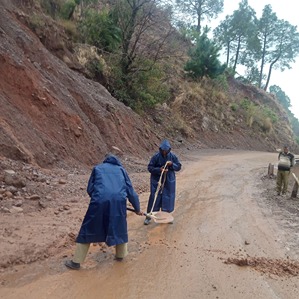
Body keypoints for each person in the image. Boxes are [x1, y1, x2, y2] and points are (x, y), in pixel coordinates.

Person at [65, 154, 143, 270]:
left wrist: (98, 198)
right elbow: (130, 191)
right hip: (118, 203)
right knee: (119, 227)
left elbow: (90, 188)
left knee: (89, 228)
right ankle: (120, 255)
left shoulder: (98, 168)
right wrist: (137, 208)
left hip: (99, 201)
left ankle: (76, 262)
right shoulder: (121, 170)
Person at [144, 139, 181, 225]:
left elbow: (179, 166)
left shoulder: (173, 156)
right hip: (157, 180)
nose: (164, 152)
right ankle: (149, 216)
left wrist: (172, 165)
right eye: (163, 150)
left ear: (169, 150)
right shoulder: (156, 157)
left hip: (169, 180)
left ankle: (167, 217)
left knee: (168, 197)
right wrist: (159, 170)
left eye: (166, 150)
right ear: (160, 149)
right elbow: (150, 168)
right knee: (155, 197)